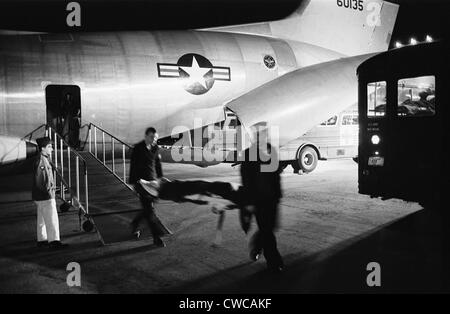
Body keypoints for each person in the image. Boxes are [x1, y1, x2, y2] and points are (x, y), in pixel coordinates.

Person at [240, 124, 284, 272]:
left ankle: (256, 246)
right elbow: (246, 181)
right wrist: (249, 202)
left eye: (263, 133)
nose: (260, 137)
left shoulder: (272, 151)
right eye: (256, 134)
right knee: (267, 232)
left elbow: (276, 176)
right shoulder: (248, 154)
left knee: (269, 228)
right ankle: (274, 262)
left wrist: (278, 195)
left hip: (272, 199)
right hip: (258, 200)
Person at [129, 127, 167, 247]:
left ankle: (135, 223)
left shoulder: (155, 148)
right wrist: (133, 183)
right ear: (146, 136)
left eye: (155, 137)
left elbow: (157, 163)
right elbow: (133, 166)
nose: (154, 139)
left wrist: (160, 178)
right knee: (150, 211)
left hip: (152, 182)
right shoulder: (138, 148)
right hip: (141, 183)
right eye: (151, 137)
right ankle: (156, 238)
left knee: (148, 208)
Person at [32, 137, 68, 249]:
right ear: (42, 148)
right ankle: (54, 242)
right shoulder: (42, 161)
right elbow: (39, 180)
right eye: (49, 146)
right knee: (52, 218)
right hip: (45, 196)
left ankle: (42, 240)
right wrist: (49, 192)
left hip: (40, 196)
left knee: (42, 219)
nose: (52, 149)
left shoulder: (43, 158)